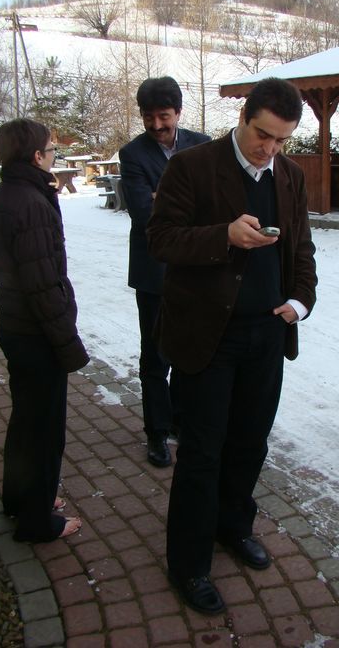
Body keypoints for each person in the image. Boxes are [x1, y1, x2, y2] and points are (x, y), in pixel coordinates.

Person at [147, 77, 317, 614]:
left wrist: (301, 300)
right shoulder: (192, 166)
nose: (270, 149)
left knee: (249, 443)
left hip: (267, 333)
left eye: (282, 140)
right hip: (207, 336)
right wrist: (223, 235)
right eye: (263, 134)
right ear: (243, 118)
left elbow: (302, 247)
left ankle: (233, 526)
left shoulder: (290, 176)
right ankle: (188, 564)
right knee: (202, 453)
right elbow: (160, 239)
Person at [0, 118, 89, 543]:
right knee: (44, 429)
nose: (54, 156)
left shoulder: (9, 195)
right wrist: (67, 344)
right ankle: (38, 520)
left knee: (26, 422)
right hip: (36, 333)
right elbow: (43, 286)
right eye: (51, 149)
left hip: (17, 325)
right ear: (36, 156)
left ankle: (21, 499)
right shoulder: (29, 204)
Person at [119, 77, 209, 468]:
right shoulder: (132, 154)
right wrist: (186, 202)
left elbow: (214, 205)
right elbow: (143, 213)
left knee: (192, 351)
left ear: (179, 112)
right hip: (154, 271)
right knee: (156, 357)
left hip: (197, 269)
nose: (156, 125)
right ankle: (156, 431)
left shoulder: (203, 145)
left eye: (164, 116)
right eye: (148, 117)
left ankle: (180, 420)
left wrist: (164, 196)